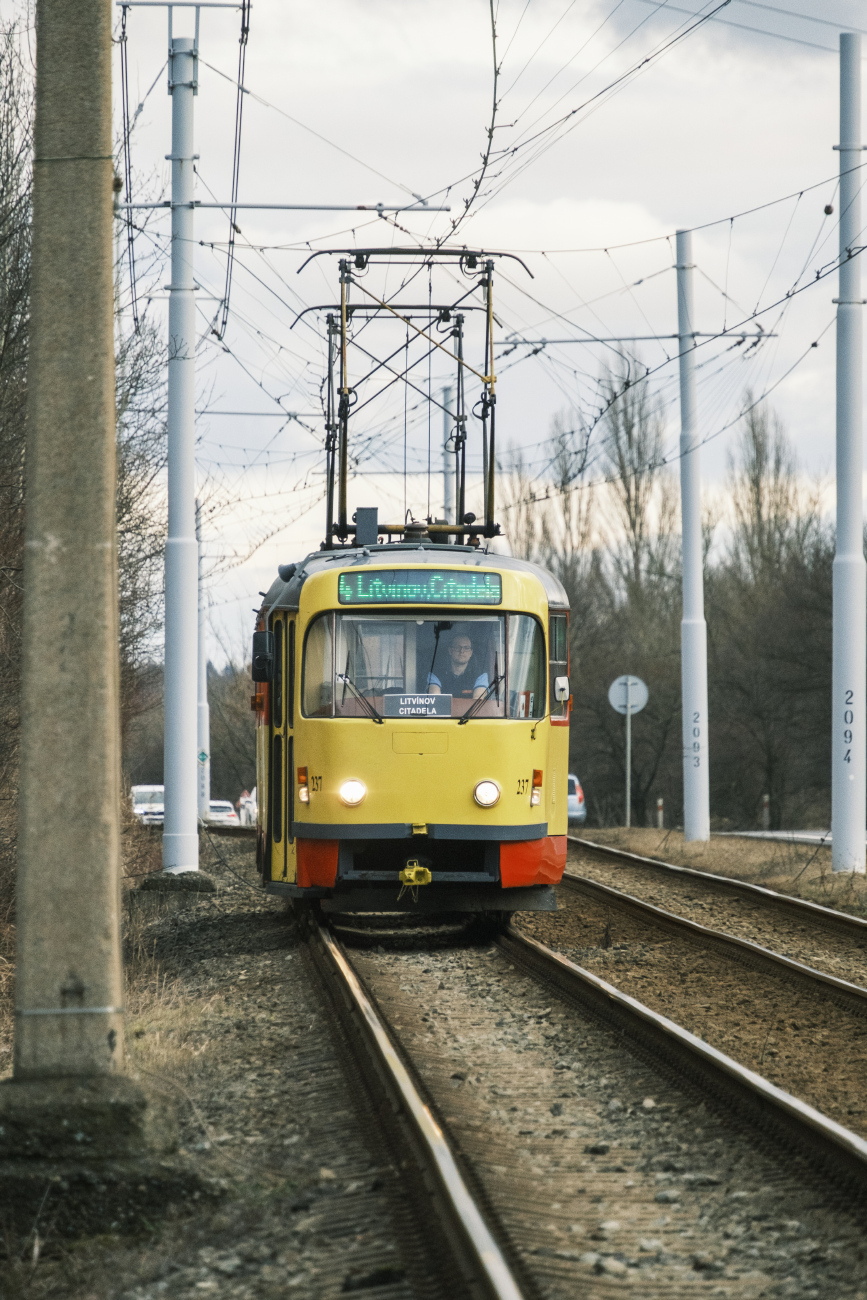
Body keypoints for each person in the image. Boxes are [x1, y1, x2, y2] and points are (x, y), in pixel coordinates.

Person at [427, 630, 489, 699]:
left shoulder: (480, 675)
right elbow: (436, 700)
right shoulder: (436, 673)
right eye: (457, 647)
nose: (462, 651)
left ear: (471, 653)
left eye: (466, 648)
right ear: (450, 651)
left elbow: (478, 701)